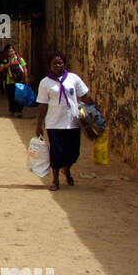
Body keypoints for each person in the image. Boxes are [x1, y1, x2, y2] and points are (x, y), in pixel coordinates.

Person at [35, 50, 96, 191]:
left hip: (72, 122)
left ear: (64, 63)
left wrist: (95, 110)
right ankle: (55, 180)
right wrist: (39, 125)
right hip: (54, 123)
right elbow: (43, 105)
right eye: (55, 63)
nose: (58, 66)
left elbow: (84, 96)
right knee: (56, 151)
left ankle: (66, 169)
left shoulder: (73, 78)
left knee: (74, 152)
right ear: (49, 65)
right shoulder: (45, 83)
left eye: (60, 63)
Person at [0, 43, 29, 117]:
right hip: (10, 81)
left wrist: (26, 78)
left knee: (19, 96)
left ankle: (19, 111)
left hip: (20, 81)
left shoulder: (19, 59)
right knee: (11, 97)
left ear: (15, 51)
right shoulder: (6, 60)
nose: (11, 52)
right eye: (9, 51)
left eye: (12, 51)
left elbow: (24, 68)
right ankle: (12, 111)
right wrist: (6, 65)